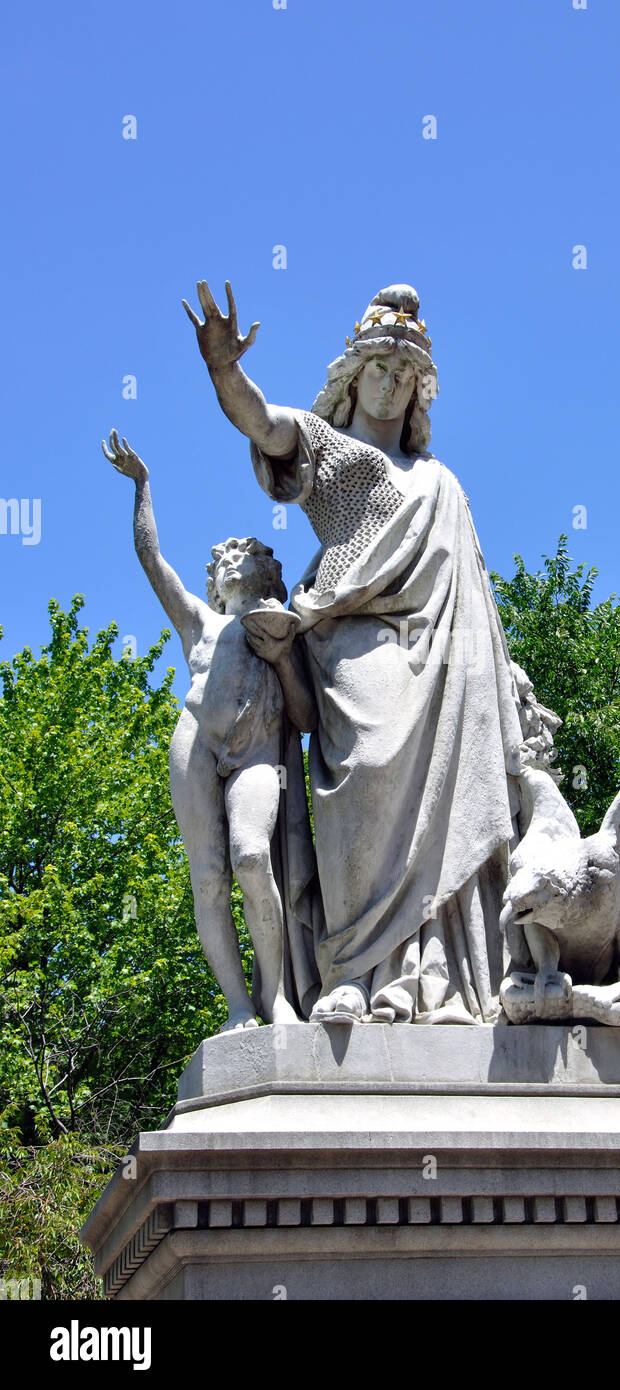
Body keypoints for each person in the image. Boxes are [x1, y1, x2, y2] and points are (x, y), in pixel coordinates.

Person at [183, 282, 526, 1024]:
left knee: (455, 802)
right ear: (353, 375)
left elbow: (472, 594)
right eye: (380, 366)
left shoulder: (439, 483)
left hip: (443, 658)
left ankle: (436, 980)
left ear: (419, 392)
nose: (392, 382)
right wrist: (222, 371)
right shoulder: (331, 453)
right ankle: (353, 971)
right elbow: (266, 424)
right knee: (363, 775)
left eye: (407, 374)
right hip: (354, 653)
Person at [103, 429, 317, 1030]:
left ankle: (273, 995)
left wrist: (278, 657)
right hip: (195, 739)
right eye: (225, 561)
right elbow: (151, 558)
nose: (234, 562)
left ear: (267, 575)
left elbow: (302, 720)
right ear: (216, 583)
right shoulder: (200, 621)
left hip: (258, 754)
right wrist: (143, 486)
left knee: (252, 857)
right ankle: (236, 1006)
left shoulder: (285, 629)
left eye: (247, 555)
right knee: (209, 876)